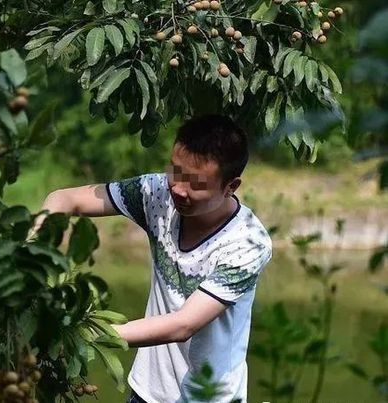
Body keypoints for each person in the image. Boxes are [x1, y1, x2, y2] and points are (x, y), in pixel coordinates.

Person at [33, 114, 273, 403]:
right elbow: (65, 199)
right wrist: (31, 249)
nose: (179, 189)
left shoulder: (247, 242)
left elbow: (183, 324)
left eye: (196, 184)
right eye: (175, 171)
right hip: (146, 392)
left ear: (230, 187)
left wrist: (83, 334)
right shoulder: (158, 194)